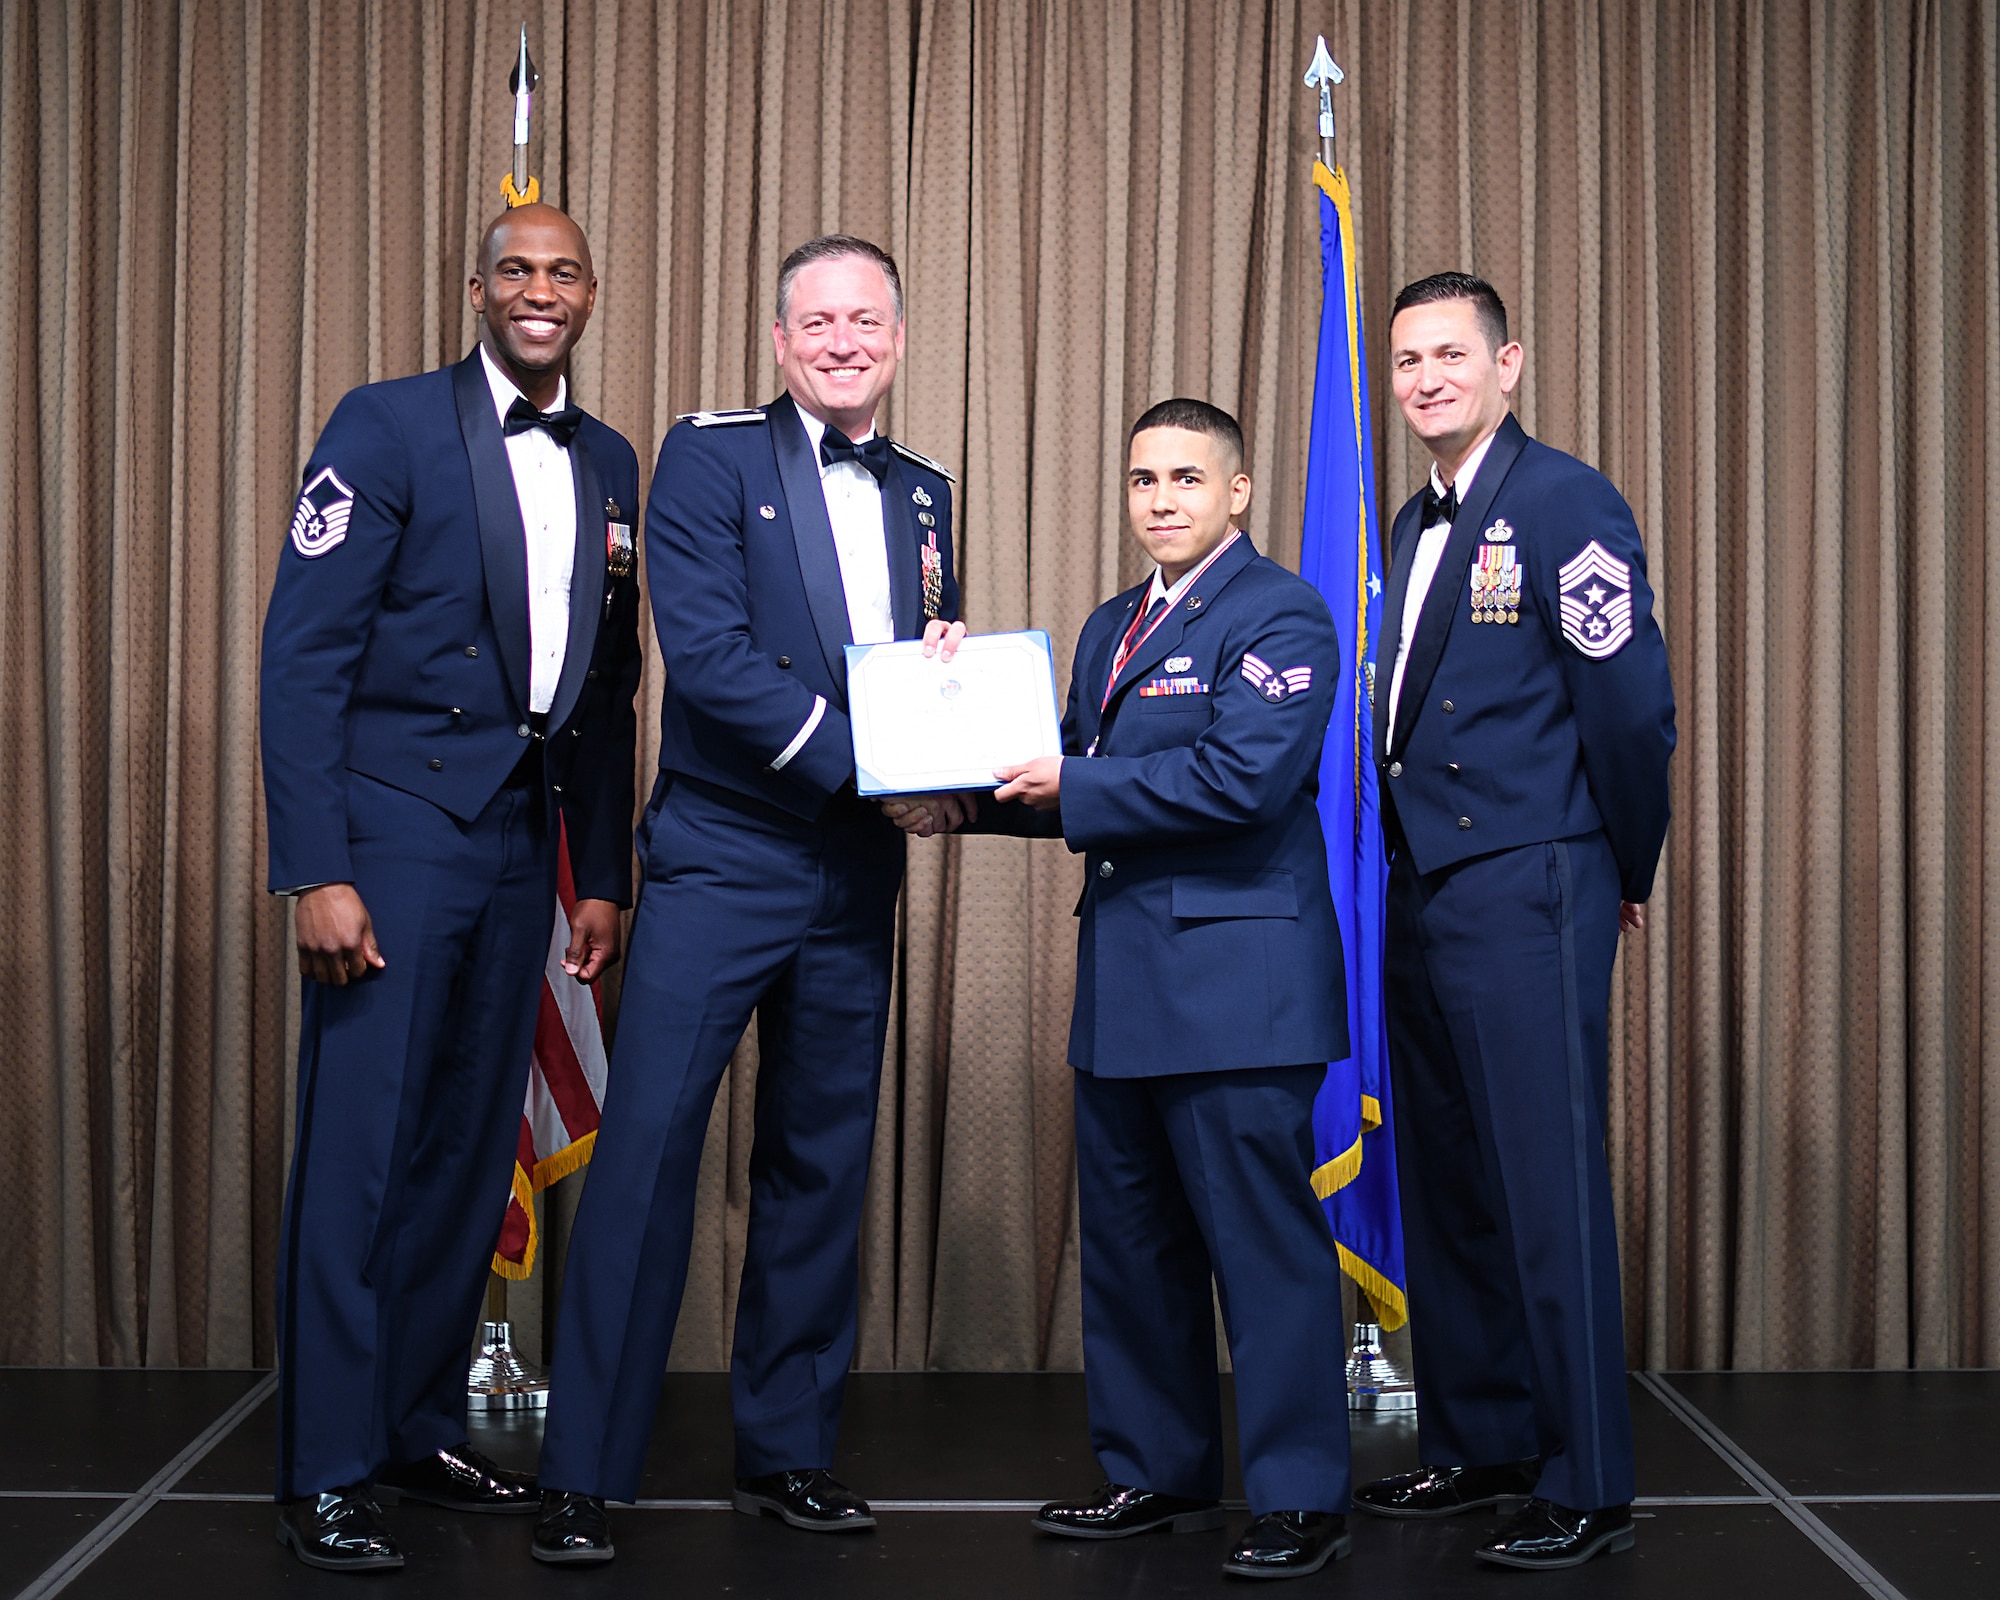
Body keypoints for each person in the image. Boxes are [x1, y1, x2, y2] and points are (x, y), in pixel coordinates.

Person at [531, 235, 966, 1565]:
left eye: (865, 320)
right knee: (648, 1157)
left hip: (854, 873)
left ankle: (786, 1452)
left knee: (819, 1166)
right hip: (724, 860)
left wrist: (948, 697)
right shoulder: (709, 456)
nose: (843, 341)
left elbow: (920, 663)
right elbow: (710, 659)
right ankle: (582, 1471)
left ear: (898, 337)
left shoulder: (928, 491)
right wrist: (873, 764)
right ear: (780, 341)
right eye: (817, 321)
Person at [897, 399, 1355, 1581]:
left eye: (1186, 478)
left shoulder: (1281, 612)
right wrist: (946, 788)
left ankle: (1300, 1495)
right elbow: (1055, 771)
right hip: (1126, 985)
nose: (1161, 499)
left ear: (1237, 491)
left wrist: (1070, 782)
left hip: (1238, 991)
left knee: (1262, 1253)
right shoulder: (1110, 626)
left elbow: (1243, 779)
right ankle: (1156, 1470)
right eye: (1144, 478)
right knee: (1133, 1249)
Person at [259, 203, 643, 1571]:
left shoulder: (610, 461)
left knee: (471, 1155)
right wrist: (317, 866)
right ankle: (326, 1465)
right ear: (477, 290)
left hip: (523, 842)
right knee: (365, 1153)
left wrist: (603, 874)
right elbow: (304, 655)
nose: (540, 290)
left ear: (589, 295)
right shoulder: (386, 424)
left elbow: (611, 687)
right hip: (395, 833)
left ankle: (413, 1427)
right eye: (516, 270)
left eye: (564, 271)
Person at [1352, 272, 1676, 1571]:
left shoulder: (1563, 502)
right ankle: (1480, 1440)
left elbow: (1629, 707)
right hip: (1423, 886)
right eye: (1407, 360)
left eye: (1449, 354)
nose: (1425, 378)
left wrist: (1623, 860)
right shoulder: (1408, 518)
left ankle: (1586, 1479)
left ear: (1508, 365)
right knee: (1449, 1184)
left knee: (1545, 1187)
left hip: (1531, 879)